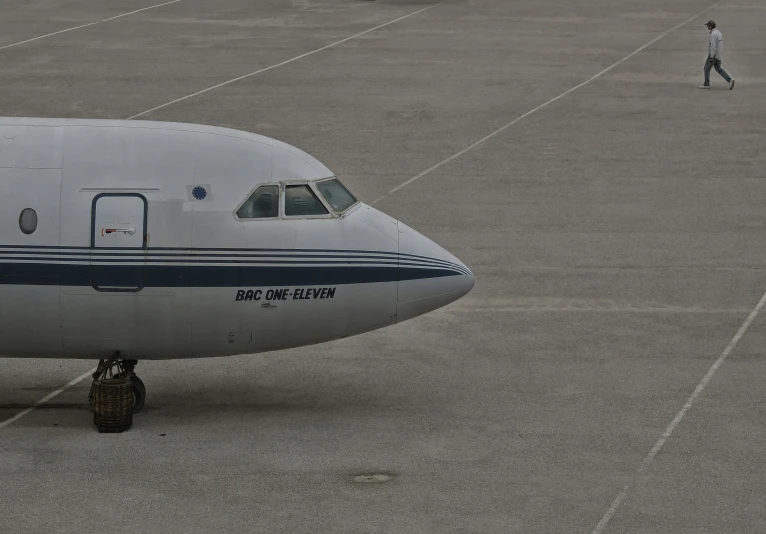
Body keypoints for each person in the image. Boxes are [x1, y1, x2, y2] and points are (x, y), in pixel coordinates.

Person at [699, 20, 734, 90]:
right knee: (718, 68)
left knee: (706, 69)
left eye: (708, 26)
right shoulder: (718, 33)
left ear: (710, 26)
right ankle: (730, 80)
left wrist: (711, 57)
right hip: (718, 55)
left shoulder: (713, 34)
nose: (707, 27)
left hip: (713, 55)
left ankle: (706, 84)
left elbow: (713, 46)